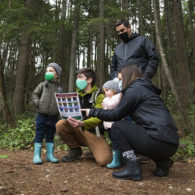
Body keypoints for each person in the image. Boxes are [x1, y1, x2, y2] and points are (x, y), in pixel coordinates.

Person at [82, 64, 179, 181]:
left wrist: (92, 112)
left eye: (120, 79)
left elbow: (115, 114)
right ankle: (163, 163)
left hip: (156, 140)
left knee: (117, 126)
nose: (119, 82)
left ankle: (132, 167)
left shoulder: (134, 89)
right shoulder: (146, 89)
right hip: (172, 144)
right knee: (140, 131)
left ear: (129, 76)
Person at [56, 68, 112, 166]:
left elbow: (98, 118)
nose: (77, 80)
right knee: (60, 124)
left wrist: (83, 123)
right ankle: (75, 149)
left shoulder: (99, 96)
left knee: (104, 161)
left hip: (93, 132)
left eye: (80, 77)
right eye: (77, 78)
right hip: (77, 129)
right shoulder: (75, 95)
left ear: (89, 80)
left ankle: (93, 148)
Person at [32, 62, 63, 164]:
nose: (48, 72)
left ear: (57, 74)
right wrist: (37, 103)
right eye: (47, 71)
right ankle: (37, 155)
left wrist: (61, 110)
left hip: (53, 116)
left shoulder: (59, 88)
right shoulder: (42, 85)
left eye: (51, 71)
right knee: (39, 134)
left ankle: (50, 155)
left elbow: (62, 101)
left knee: (50, 135)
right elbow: (35, 95)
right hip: (42, 114)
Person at [102, 80, 122, 169]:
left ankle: (117, 161)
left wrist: (105, 101)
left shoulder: (117, 97)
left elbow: (111, 105)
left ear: (114, 90)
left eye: (107, 90)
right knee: (114, 142)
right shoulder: (110, 98)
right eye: (105, 91)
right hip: (109, 125)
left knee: (116, 142)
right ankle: (118, 158)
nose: (106, 93)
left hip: (115, 125)